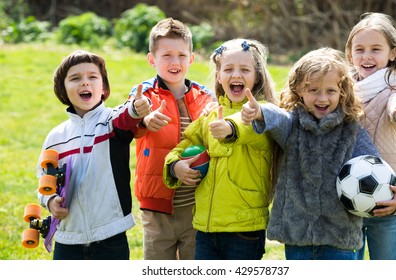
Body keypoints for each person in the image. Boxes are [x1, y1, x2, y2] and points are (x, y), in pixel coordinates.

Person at [241, 47, 396, 260]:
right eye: (313, 91)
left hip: (339, 237)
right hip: (297, 236)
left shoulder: (351, 130)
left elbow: (377, 166)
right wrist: (260, 111)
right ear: (299, 90)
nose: (322, 98)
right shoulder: (293, 125)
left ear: (342, 92)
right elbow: (277, 116)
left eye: (330, 91)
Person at [163, 38, 278, 260]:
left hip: (243, 229)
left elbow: (250, 128)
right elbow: (185, 144)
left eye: (244, 69)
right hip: (206, 228)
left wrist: (229, 128)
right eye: (228, 69)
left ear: (257, 76)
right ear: (218, 75)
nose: (236, 75)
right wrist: (175, 165)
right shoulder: (208, 115)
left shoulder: (263, 112)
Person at [37, 50, 152, 260]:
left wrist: (136, 108)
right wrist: (51, 200)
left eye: (92, 77)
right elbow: (45, 177)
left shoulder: (110, 121)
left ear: (104, 88)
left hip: (110, 236)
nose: (85, 83)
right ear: (63, 89)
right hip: (68, 239)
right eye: (75, 78)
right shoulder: (56, 137)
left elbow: (126, 117)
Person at [129, 18, 215, 260]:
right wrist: (142, 119)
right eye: (166, 55)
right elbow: (128, 122)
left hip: (196, 204)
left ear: (191, 58)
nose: (175, 62)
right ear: (151, 59)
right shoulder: (144, 95)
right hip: (157, 205)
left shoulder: (205, 98)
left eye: (181, 55)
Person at [345, 12, 396, 260]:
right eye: (360, 49)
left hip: (386, 199)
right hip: (347, 197)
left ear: (392, 53)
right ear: (350, 53)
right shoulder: (341, 90)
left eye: (375, 49)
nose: (366, 56)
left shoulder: (394, 88)